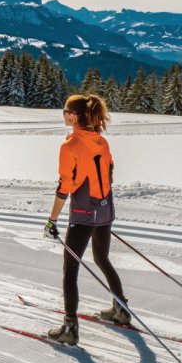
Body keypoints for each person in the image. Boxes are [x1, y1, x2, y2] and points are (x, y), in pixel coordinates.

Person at [43, 94, 129, 345]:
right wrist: (100, 203)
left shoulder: (70, 145)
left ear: (74, 116)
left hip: (83, 214)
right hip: (105, 210)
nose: (63, 115)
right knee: (102, 258)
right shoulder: (101, 142)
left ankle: (69, 329)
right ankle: (121, 310)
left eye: (65, 111)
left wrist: (52, 219)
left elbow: (65, 185)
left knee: (70, 268)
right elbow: (109, 172)